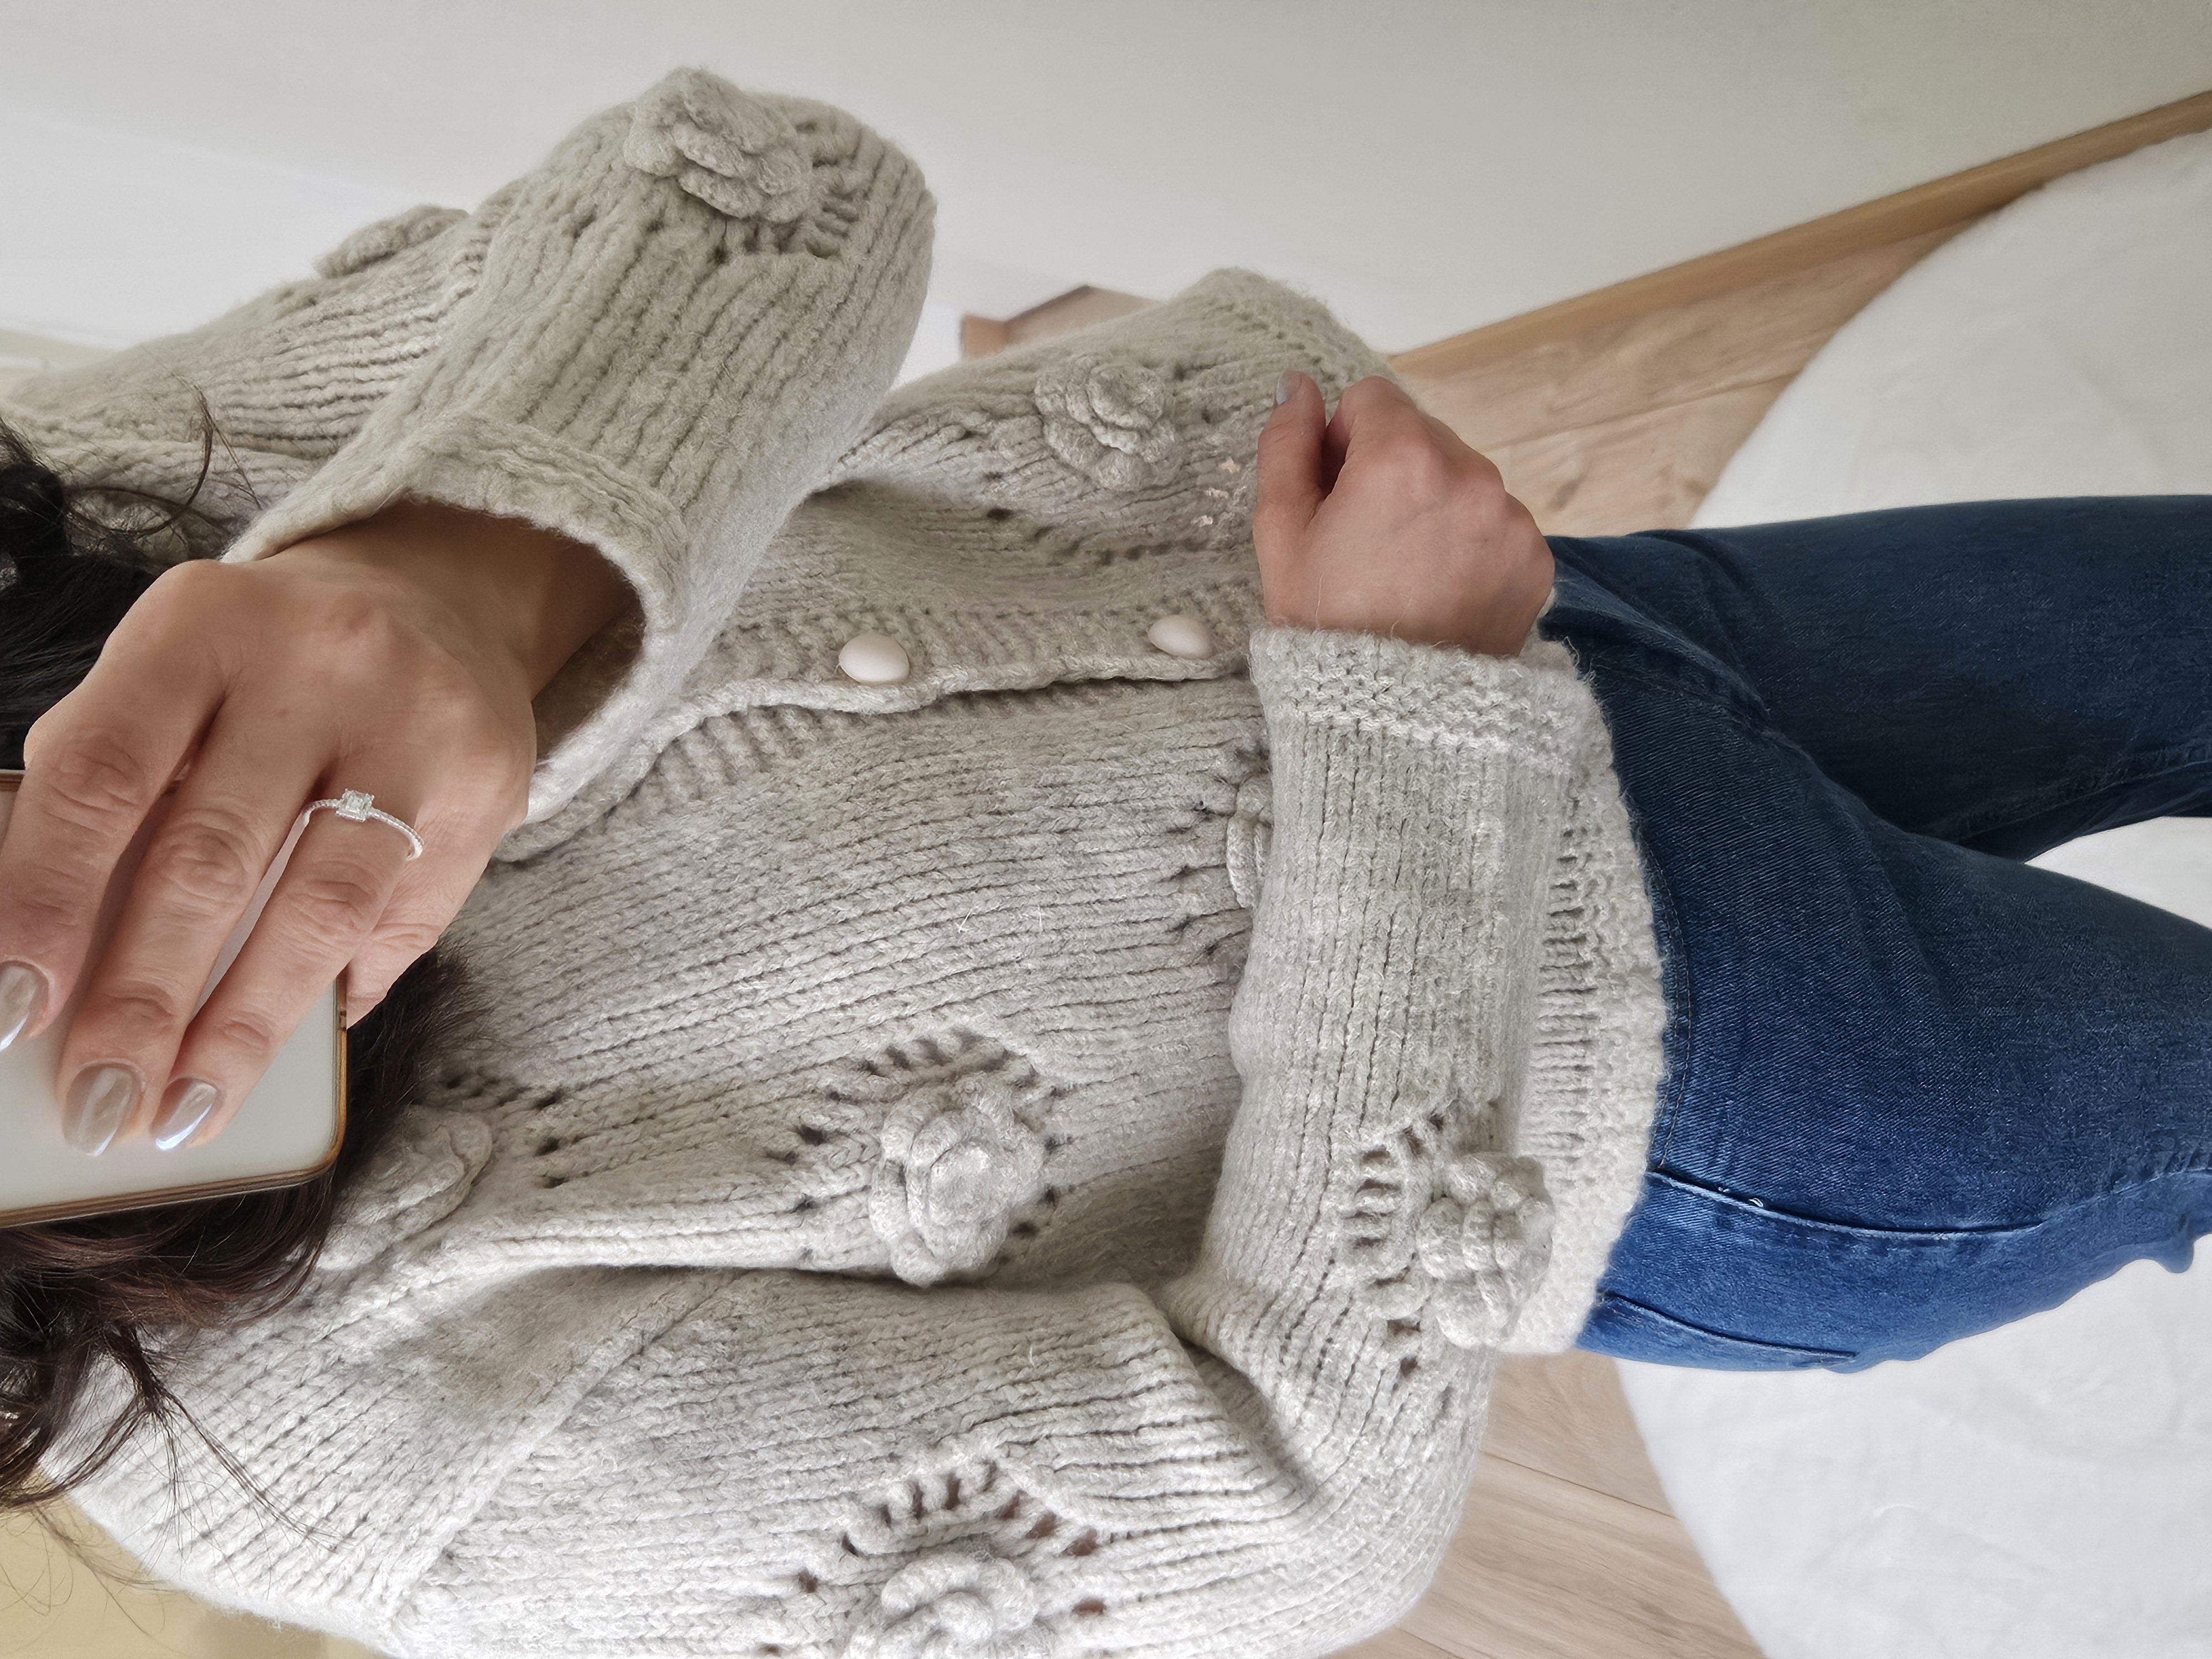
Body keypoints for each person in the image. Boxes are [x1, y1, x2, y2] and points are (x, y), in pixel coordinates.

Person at [0, 63, 2201, 1659]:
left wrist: (460, 563)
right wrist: (1406, 719)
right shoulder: (305, 1463)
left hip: (1572, 619)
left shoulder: (77, 532)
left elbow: (762, 187)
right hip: (1712, 1091)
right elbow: (1286, 1519)